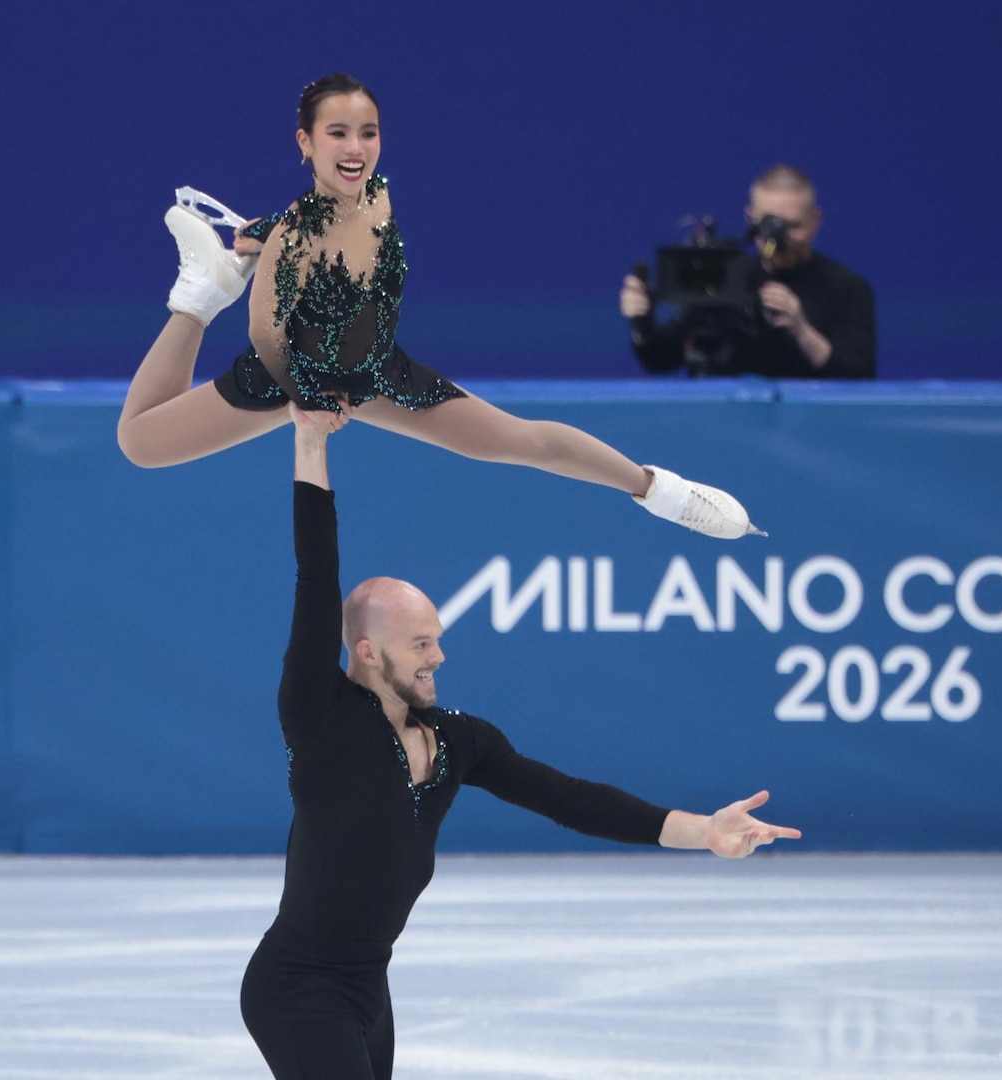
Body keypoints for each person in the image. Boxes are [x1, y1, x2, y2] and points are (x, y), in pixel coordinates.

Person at [241, 401, 801, 1079]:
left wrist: (702, 830)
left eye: (438, 639)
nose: (438, 656)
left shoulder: (458, 742)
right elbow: (315, 572)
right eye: (421, 643)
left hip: (368, 990)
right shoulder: (319, 714)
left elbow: (567, 798)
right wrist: (308, 441)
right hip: (297, 990)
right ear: (365, 650)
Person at [116, 74, 757, 540]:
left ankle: (662, 491)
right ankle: (199, 300)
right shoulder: (294, 234)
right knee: (140, 442)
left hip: (375, 372)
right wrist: (305, 398)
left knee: (517, 440)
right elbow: (266, 335)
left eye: (368, 132)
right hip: (296, 375)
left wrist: (274, 230)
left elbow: (335, 232)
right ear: (304, 142)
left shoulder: (378, 196)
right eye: (337, 132)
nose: (357, 146)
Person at [619, 166, 876, 379]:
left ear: (815, 221)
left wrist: (802, 330)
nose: (780, 238)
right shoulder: (729, 277)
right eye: (769, 224)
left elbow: (859, 380)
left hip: (810, 430)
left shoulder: (847, 288)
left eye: (793, 226)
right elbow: (659, 359)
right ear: (750, 218)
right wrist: (642, 324)